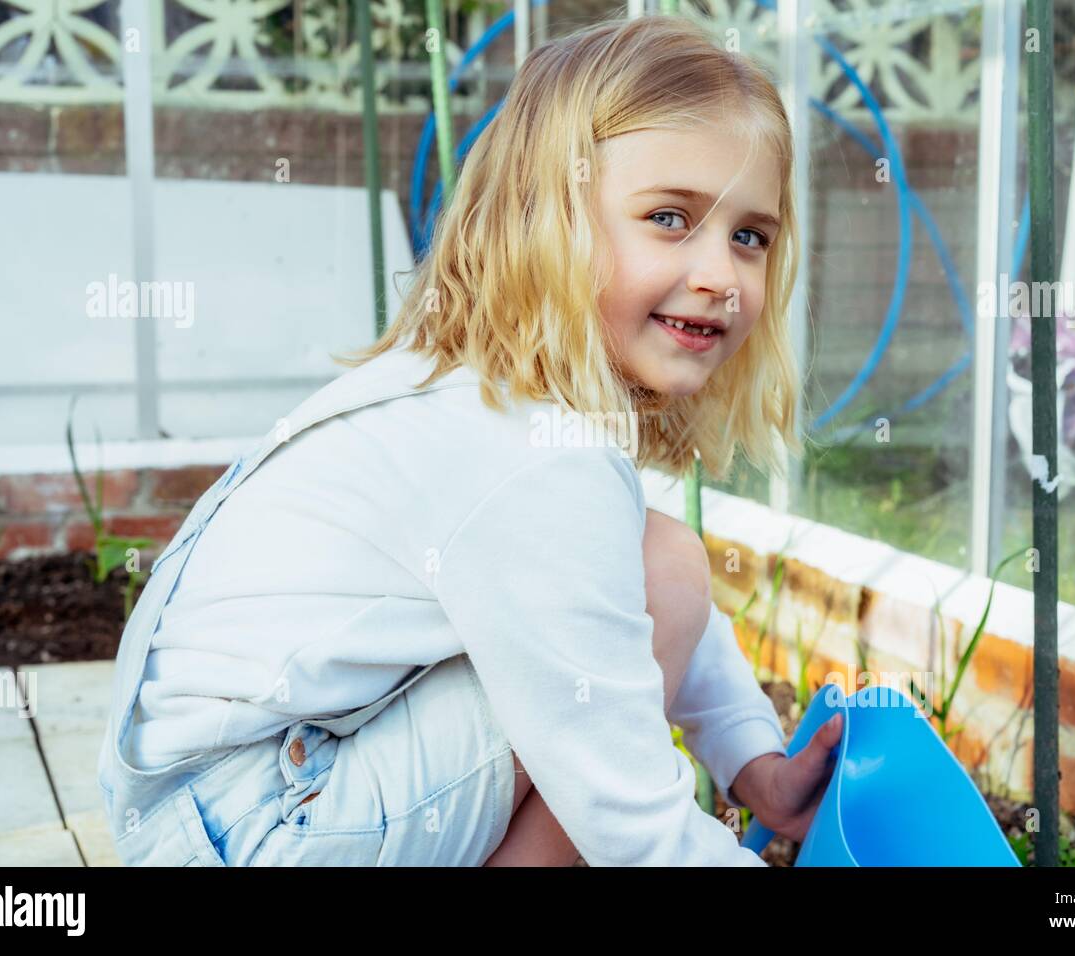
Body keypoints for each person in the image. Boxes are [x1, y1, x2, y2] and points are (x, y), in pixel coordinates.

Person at [96, 13, 844, 867]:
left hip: (208, 815)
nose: (720, 275)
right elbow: (627, 810)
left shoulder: (479, 393)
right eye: (670, 218)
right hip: (261, 825)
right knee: (660, 578)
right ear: (546, 222)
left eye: (749, 236)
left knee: (656, 560)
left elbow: (617, 605)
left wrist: (756, 768)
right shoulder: (533, 456)